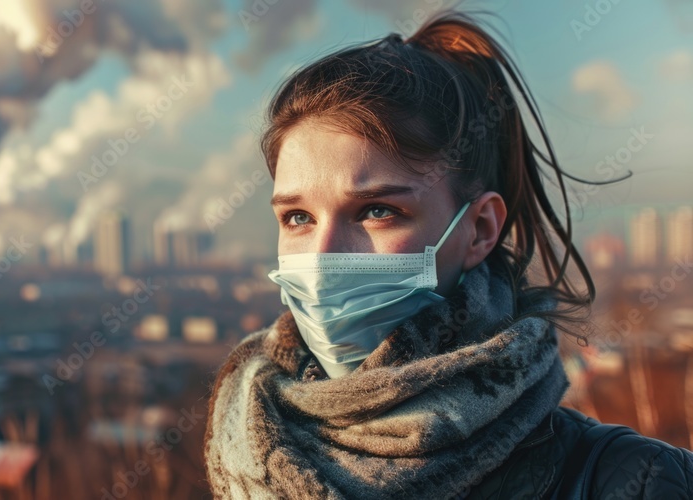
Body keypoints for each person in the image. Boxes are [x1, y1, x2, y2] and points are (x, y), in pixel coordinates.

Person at [203, 11, 693, 499]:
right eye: (298, 218)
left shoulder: (635, 481)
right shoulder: (242, 447)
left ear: (479, 230)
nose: (323, 256)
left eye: (377, 210)